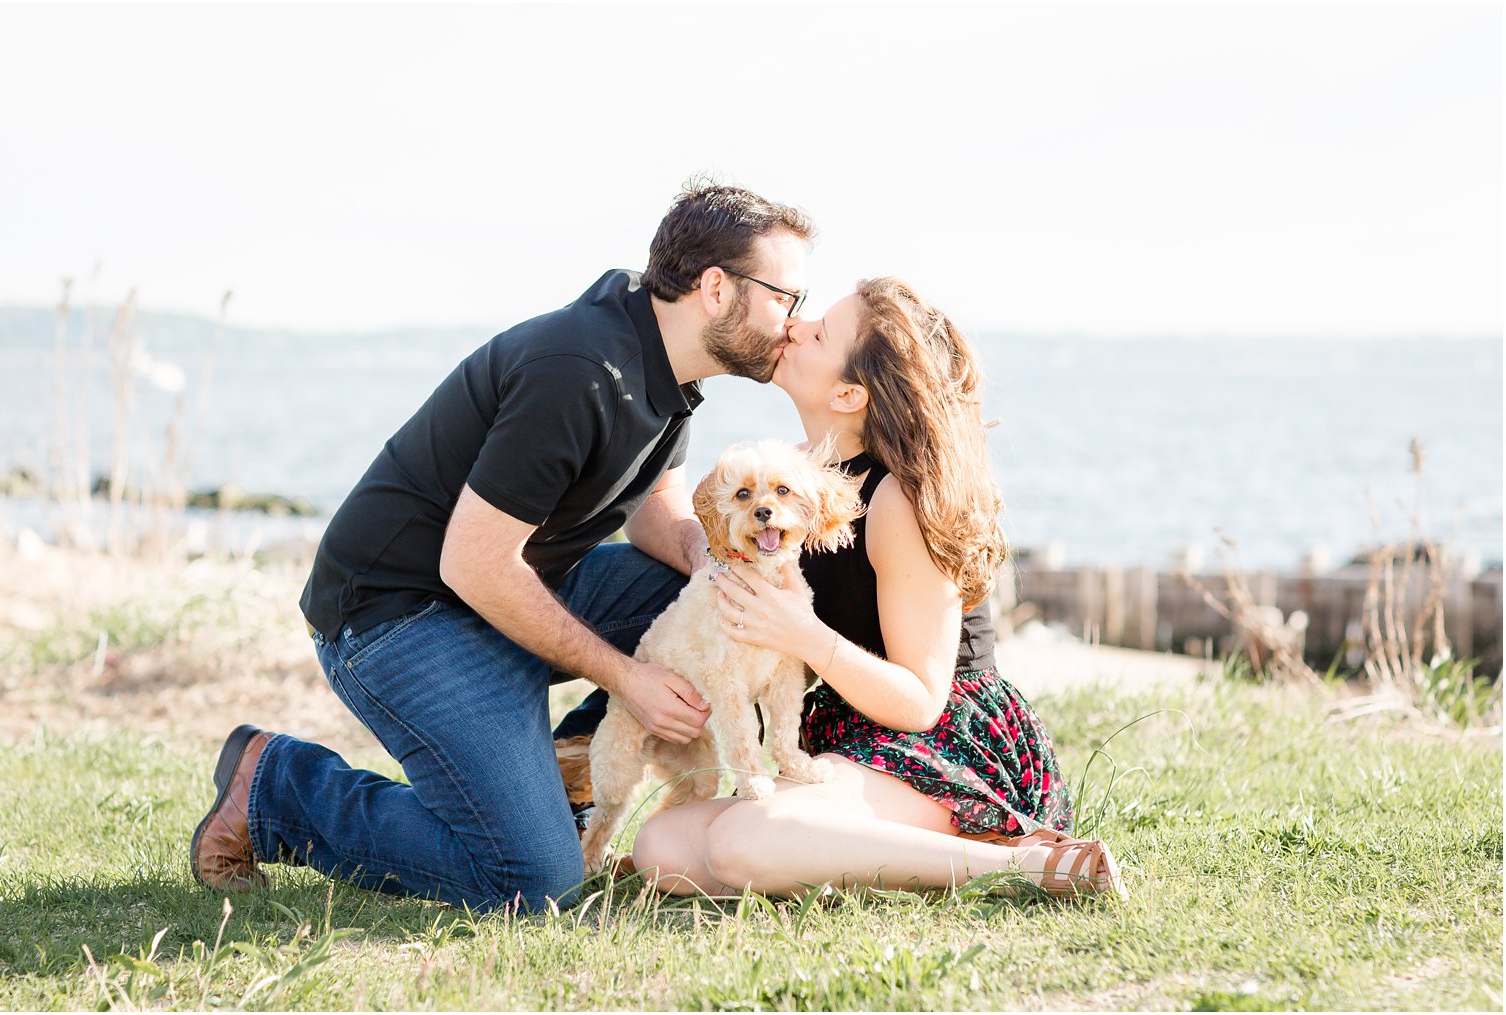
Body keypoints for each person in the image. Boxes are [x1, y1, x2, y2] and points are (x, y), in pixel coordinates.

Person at [189, 180, 815, 912]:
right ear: (716, 287)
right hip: (399, 617)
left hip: (499, 590)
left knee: (729, 603)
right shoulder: (579, 372)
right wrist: (627, 679)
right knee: (535, 881)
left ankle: (566, 762)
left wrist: (710, 564)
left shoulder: (664, 365)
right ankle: (277, 787)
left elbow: (655, 507)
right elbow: (473, 562)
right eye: (787, 298)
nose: (796, 323)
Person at [628, 277, 1126, 898]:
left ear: (848, 393)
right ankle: (866, 852)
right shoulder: (791, 476)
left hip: (943, 746)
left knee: (740, 842)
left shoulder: (897, 497)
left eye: (821, 332)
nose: (795, 326)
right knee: (662, 846)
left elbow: (921, 700)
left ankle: (1024, 864)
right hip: (846, 730)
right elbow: (666, 514)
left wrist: (800, 635)